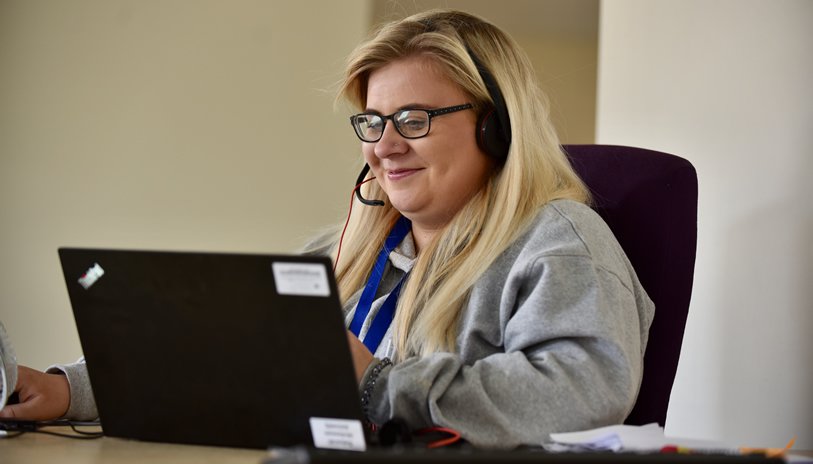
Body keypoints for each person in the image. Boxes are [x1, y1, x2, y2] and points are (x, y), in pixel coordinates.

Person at [0, 9, 654, 448]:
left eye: (414, 119)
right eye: (373, 122)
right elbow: (221, 356)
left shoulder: (556, 241)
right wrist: (65, 390)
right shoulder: (338, 251)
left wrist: (375, 383)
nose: (384, 146)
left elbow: (585, 394)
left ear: (495, 127)